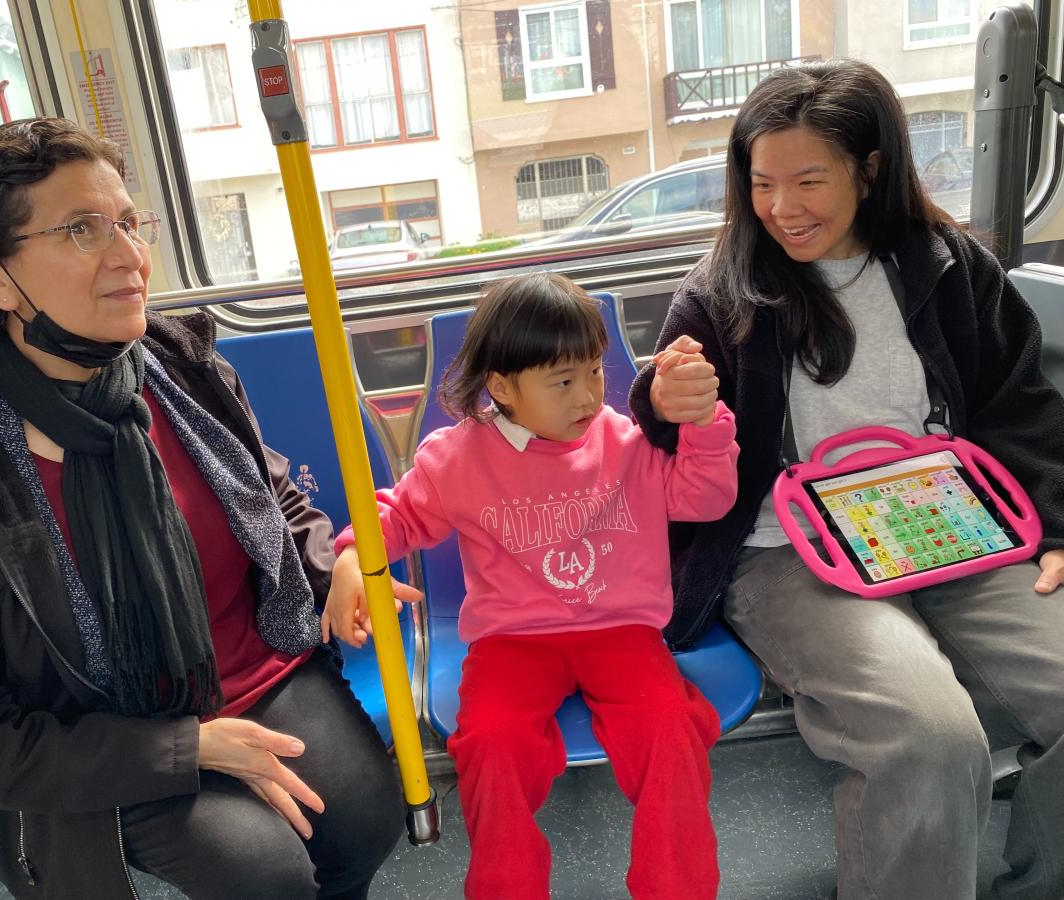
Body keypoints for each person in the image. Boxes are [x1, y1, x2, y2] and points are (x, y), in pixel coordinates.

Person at [0, 118, 403, 900]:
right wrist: (182, 750)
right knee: (265, 876)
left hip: (255, 672)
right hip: (97, 732)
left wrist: (336, 562)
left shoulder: (177, 365)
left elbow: (272, 498)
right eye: (82, 230)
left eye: (126, 222)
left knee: (364, 821)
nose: (129, 256)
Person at [628, 59, 1064, 900]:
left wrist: (1058, 522)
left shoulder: (949, 268)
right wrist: (663, 401)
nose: (783, 209)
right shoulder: (722, 295)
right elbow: (653, 443)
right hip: (787, 552)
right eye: (762, 184)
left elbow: (1019, 403)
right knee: (929, 738)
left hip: (948, 525)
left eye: (809, 182)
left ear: (869, 171)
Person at [324, 272, 739, 900]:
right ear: (502, 388)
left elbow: (705, 499)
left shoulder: (628, 441)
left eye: (596, 372)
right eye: (563, 381)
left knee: (669, 733)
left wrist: (705, 422)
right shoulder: (460, 457)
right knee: (491, 744)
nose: (588, 396)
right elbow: (400, 516)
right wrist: (354, 554)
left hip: (620, 630)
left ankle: (677, 887)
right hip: (514, 639)